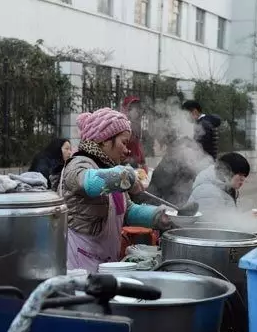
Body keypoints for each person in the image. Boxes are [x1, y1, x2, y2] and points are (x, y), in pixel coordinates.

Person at [60, 107, 172, 272]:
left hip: (106, 264)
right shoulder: (78, 163)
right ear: (105, 140)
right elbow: (89, 183)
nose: (127, 150)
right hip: (79, 267)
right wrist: (127, 176)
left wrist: (159, 217)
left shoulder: (110, 168)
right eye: (124, 142)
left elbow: (127, 211)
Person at [142, 127, 203, 207]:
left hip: (168, 210)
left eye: (155, 144)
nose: (153, 147)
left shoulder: (165, 166)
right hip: (184, 206)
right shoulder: (183, 159)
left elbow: (152, 196)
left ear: (164, 146)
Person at [188, 152, 250, 217]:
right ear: (227, 172)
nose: (243, 179)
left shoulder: (226, 187)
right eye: (240, 175)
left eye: (245, 176)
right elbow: (209, 223)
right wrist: (245, 217)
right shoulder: (207, 191)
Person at [121, 96, 152, 171]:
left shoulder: (137, 125)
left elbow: (138, 144)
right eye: (132, 109)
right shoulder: (123, 126)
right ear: (126, 110)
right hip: (125, 166)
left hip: (136, 164)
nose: (138, 111)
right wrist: (129, 161)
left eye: (139, 108)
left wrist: (143, 162)